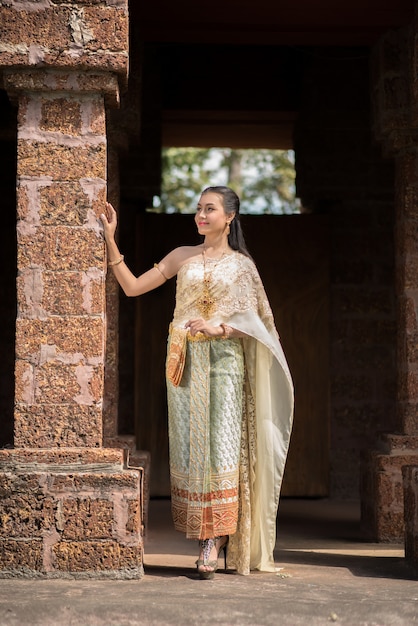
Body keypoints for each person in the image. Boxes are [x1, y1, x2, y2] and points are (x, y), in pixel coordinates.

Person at [100, 186, 294, 579]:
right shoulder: (181, 256)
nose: (201, 215)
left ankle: (216, 539)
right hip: (184, 362)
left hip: (224, 363)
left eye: (210, 209)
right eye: (198, 208)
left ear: (229, 217)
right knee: (192, 450)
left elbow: (258, 324)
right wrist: (109, 239)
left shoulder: (242, 267)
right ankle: (204, 534)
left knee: (223, 448)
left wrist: (220, 327)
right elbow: (133, 286)